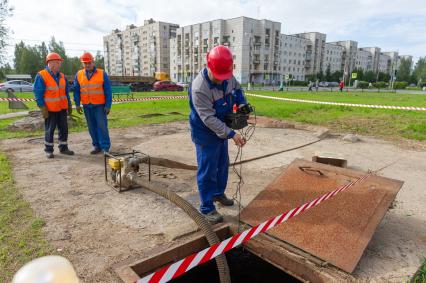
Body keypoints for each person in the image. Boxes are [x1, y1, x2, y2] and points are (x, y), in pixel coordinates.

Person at [189, 45, 247, 224]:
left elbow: (236, 89)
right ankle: (206, 207)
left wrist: (242, 103)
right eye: (218, 76)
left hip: (221, 129)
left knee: (222, 164)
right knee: (207, 169)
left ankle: (217, 193)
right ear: (209, 66)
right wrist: (231, 134)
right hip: (205, 132)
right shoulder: (199, 87)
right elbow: (208, 119)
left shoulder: (228, 77)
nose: (221, 80)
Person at [33, 52, 74, 158]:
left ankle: (63, 148)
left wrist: (69, 105)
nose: (59, 64)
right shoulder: (41, 75)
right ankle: (48, 150)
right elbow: (38, 93)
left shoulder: (62, 76)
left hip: (62, 108)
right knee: (50, 130)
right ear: (50, 63)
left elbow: (66, 93)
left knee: (64, 129)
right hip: (50, 109)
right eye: (57, 62)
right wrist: (43, 108)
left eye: (59, 62)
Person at [74, 52, 112, 154]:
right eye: (85, 63)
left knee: (102, 126)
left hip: (100, 106)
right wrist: (77, 104)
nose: (87, 65)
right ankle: (96, 146)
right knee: (91, 127)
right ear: (82, 64)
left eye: (89, 63)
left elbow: (108, 90)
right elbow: (76, 90)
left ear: (93, 62)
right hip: (87, 105)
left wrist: (108, 105)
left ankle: (105, 147)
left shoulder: (102, 73)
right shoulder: (79, 74)